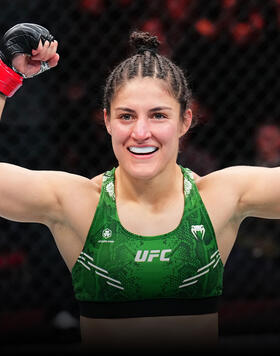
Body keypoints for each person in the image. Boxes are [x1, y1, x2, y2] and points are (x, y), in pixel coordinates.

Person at [1, 23, 280, 353]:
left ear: (185, 121)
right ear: (106, 121)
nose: (142, 132)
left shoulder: (221, 197)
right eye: (126, 116)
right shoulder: (77, 202)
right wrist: (5, 76)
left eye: (159, 115)